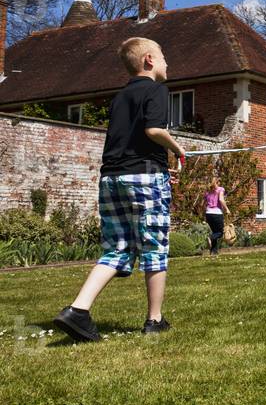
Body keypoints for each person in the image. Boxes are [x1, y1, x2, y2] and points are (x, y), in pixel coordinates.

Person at [54, 37, 186, 341]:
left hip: (111, 179)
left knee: (117, 248)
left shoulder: (120, 98)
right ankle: (154, 320)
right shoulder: (157, 89)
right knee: (154, 246)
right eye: (165, 56)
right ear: (150, 60)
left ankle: (78, 309)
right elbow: (153, 131)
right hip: (145, 178)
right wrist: (178, 150)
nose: (168, 64)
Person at [203, 176, 231, 255]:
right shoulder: (220, 189)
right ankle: (210, 238)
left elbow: (203, 204)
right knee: (220, 232)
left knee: (215, 232)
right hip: (217, 213)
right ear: (218, 182)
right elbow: (221, 200)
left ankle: (213, 252)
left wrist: (204, 214)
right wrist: (227, 209)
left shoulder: (207, 192)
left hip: (208, 214)